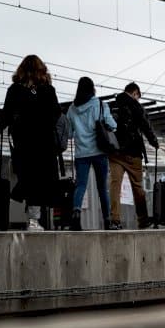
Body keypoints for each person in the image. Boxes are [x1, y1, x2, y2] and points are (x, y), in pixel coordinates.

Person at [0, 54, 62, 231]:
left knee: (28, 178)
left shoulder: (14, 89)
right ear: (41, 70)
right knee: (39, 180)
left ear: (21, 70)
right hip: (44, 144)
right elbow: (56, 114)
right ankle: (33, 220)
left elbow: (6, 113)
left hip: (23, 143)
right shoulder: (48, 90)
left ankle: (25, 214)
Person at [65, 76, 116, 230]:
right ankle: (107, 221)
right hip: (99, 152)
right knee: (102, 188)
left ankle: (75, 214)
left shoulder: (72, 109)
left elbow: (68, 133)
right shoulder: (100, 105)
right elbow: (112, 126)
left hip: (81, 154)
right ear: (93, 89)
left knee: (80, 186)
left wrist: (81, 131)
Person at [108, 82, 158, 229]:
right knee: (137, 186)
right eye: (138, 96)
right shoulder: (136, 106)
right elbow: (145, 125)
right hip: (133, 152)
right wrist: (154, 141)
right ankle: (142, 220)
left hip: (115, 152)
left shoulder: (112, 104)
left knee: (115, 184)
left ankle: (115, 219)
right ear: (135, 93)